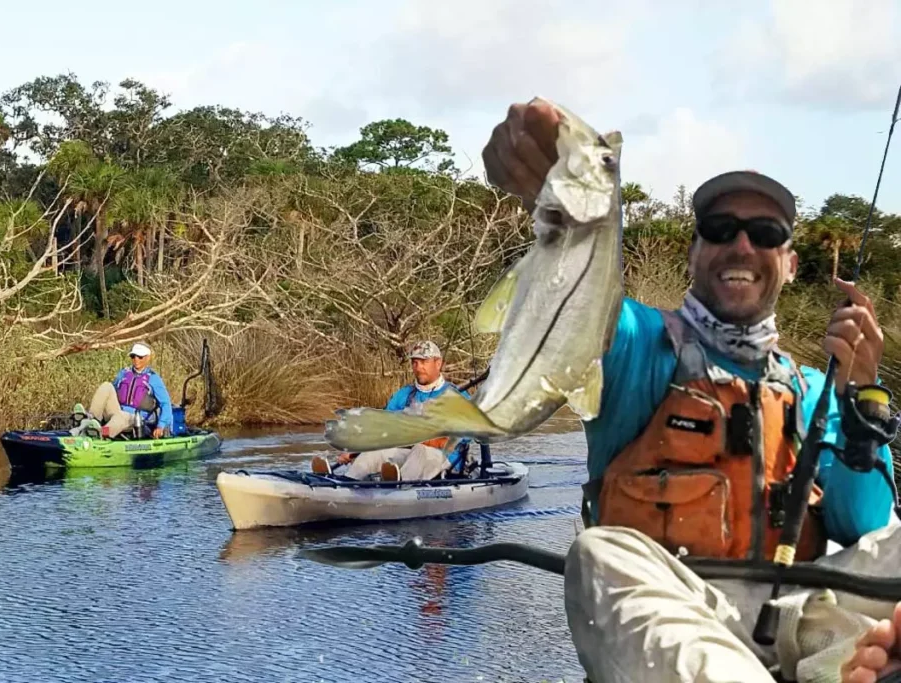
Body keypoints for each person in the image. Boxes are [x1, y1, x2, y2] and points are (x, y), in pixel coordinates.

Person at [482, 98, 901, 683]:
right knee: (599, 555)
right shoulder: (636, 342)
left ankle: (837, 661)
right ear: (695, 251)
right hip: (670, 612)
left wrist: (862, 390)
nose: (741, 246)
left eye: (765, 233)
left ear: (789, 262)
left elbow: (864, 524)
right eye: (719, 229)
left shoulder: (812, 387)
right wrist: (554, 194)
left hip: (797, 615)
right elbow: (582, 308)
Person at [311, 341, 473, 481]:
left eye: (424, 362)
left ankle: (397, 488)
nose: (418, 367)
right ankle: (346, 482)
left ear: (438, 363)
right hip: (409, 454)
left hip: (443, 458)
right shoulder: (404, 395)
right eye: (415, 362)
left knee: (422, 450)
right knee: (374, 454)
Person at [72, 342, 174, 440]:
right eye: (133, 356)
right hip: (117, 413)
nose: (136, 360)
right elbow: (111, 393)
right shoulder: (124, 373)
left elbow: (166, 404)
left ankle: (101, 432)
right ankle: (90, 420)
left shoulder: (154, 379)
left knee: (121, 416)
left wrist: (161, 426)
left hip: (137, 419)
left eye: (140, 357)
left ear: (147, 358)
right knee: (106, 386)